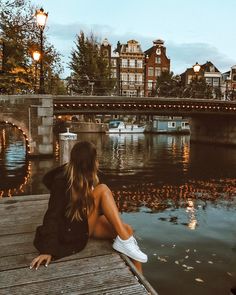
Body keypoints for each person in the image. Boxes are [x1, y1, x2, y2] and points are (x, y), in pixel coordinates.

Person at [30, 141, 147, 273]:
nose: (98, 162)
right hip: (73, 230)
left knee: (127, 230)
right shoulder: (62, 181)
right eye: (95, 159)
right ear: (90, 162)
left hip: (86, 220)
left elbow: (97, 207)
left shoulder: (89, 175)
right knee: (103, 189)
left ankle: (138, 276)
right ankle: (126, 243)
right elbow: (52, 215)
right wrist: (48, 250)